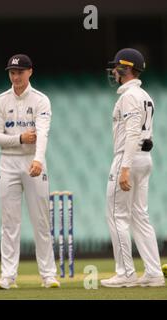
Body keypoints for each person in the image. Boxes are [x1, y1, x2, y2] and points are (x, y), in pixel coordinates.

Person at [0, 54, 59, 289]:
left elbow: (43, 132)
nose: (15, 76)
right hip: (8, 163)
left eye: (19, 72)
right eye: (12, 72)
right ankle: (8, 276)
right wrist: (19, 138)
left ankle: (48, 274)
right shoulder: (0, 100)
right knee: (9, 222)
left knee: (40, 220)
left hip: (33, 163)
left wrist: (38, 159)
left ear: (30, 72)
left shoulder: (41, 100)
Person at [101, 48, 165, 288]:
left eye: (116, 67)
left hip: (127, 158)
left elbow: (132, 132)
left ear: (125, 69)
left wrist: (125, 167)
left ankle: (125, 273)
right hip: (144, 159)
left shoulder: (129, 96)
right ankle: (153, 272)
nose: (113, 72)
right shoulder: (145, 95)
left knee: (117, 215)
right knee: (140, 215)